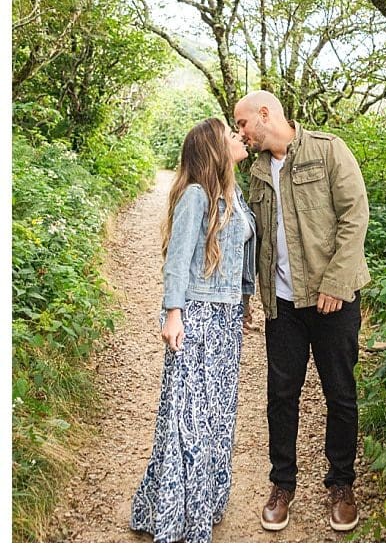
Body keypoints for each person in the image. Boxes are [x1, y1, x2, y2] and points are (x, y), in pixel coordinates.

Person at [231, 91, 370, 533]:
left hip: (334, 298)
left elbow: (355, 215)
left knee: (340, 393)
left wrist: (335, 282)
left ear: (265, 114)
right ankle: (282, 484)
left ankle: (341, 484)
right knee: (281, 395)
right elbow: (252, 236)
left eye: (243, 123)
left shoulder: (329, 150)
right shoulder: (253, 170)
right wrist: (251, 294)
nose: (241, 133)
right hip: (284, 305)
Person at [131, 118, 258, 542]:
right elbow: (177, 259)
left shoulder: (233, 194)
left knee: (218, 417)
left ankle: (204, 503)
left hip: (225, 321)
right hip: (198, 317)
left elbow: (240, 256)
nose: (238, 137)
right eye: (229, 134)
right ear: (213, 148)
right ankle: (174, 514)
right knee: (189, 417)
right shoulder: (196, 195)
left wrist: (244, 301)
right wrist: (173, 312)